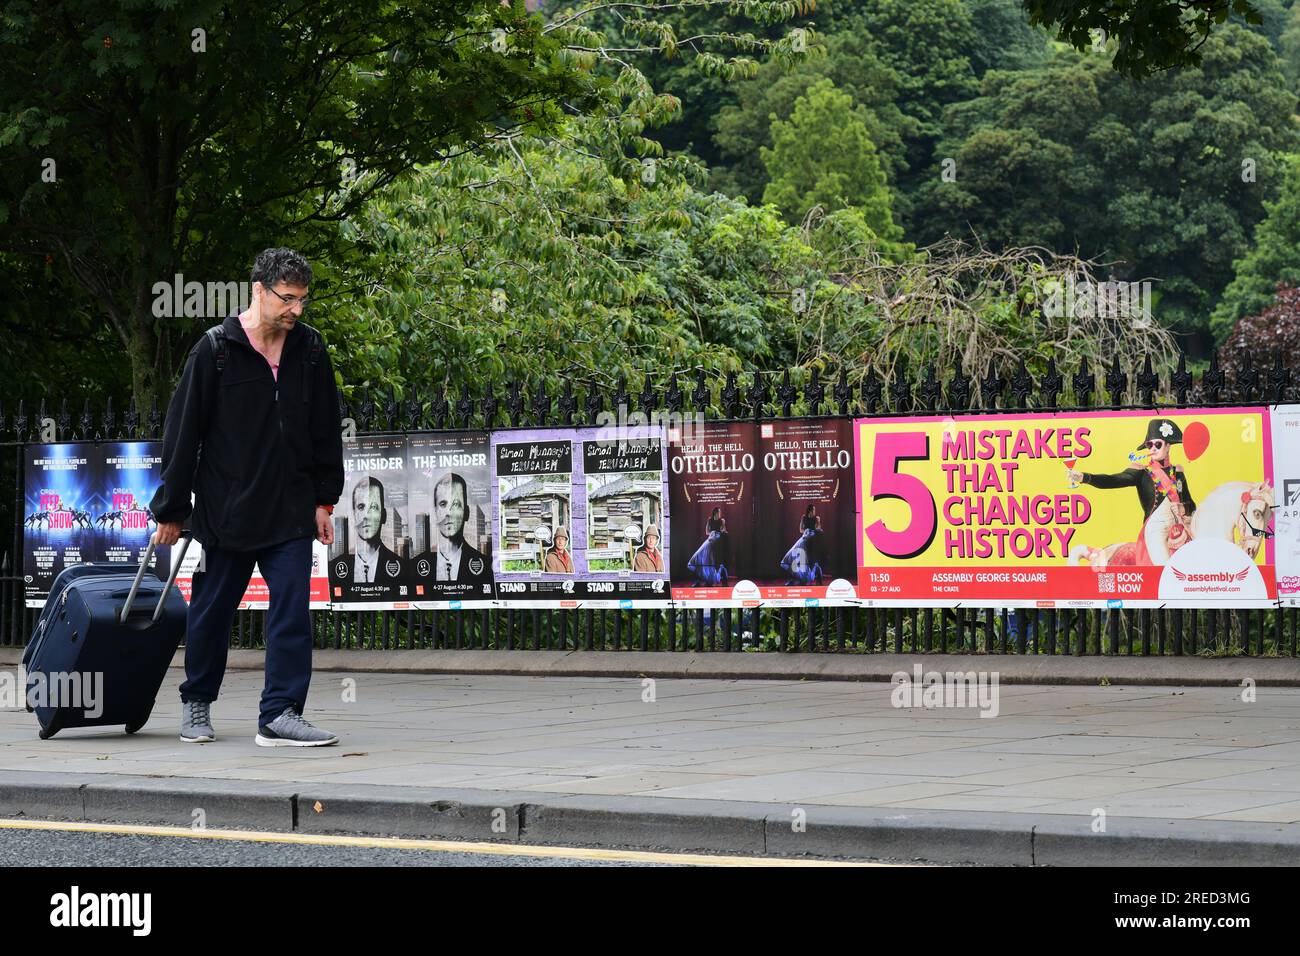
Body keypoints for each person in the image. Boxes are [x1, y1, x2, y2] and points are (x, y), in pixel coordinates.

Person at [151, 248, 343, 748]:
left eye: (303, 300)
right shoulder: (215, 350)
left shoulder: (312, 351)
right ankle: (197, 702)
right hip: (226, 511)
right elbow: (182, 434)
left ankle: (280, 714)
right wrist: (172, 509)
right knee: (211, 612)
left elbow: (326, 431)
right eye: (288, 299)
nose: (296, 310)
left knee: (291, 612)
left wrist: (325, 500)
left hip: (291, 512)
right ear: (258, 290)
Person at [1068, 418, 1197, 565]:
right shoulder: (1141, 472)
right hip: (1157, 530)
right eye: (1149, 445)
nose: (1152, 448)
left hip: (1179, 527)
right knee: (1165, 568)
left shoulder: (1177, 472)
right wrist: (1086, 477)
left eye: (1158, 444)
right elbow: (1113, 480)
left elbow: (1191, 504)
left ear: (1168, 446)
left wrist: (1184, 507)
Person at [412, 472, 490, 583]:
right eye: (443, 504)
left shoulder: (486, 567)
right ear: (435, 514)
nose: (449, 512)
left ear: (466, 513)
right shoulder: (415, 566)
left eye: (456, 504)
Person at [333, 476, 405, 583]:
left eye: (374, 507)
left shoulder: (402, 567)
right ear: (353, 515)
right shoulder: (336, 566)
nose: (366, 516)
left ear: (383, 516)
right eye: (361, 507)